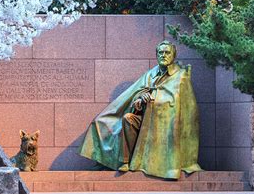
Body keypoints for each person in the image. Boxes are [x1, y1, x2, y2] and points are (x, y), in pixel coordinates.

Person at [78, 40, 202, 179]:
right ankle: (123, 161)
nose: (163, 55)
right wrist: (138, 100)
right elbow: (135, 92)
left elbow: (176, 102)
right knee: (115, 120)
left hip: (161, 125)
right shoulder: (150, 74)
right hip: (142, 118)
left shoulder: (181, 76)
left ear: (173, 55)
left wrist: (153, 96)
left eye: (167, 52)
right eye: (160, 52)